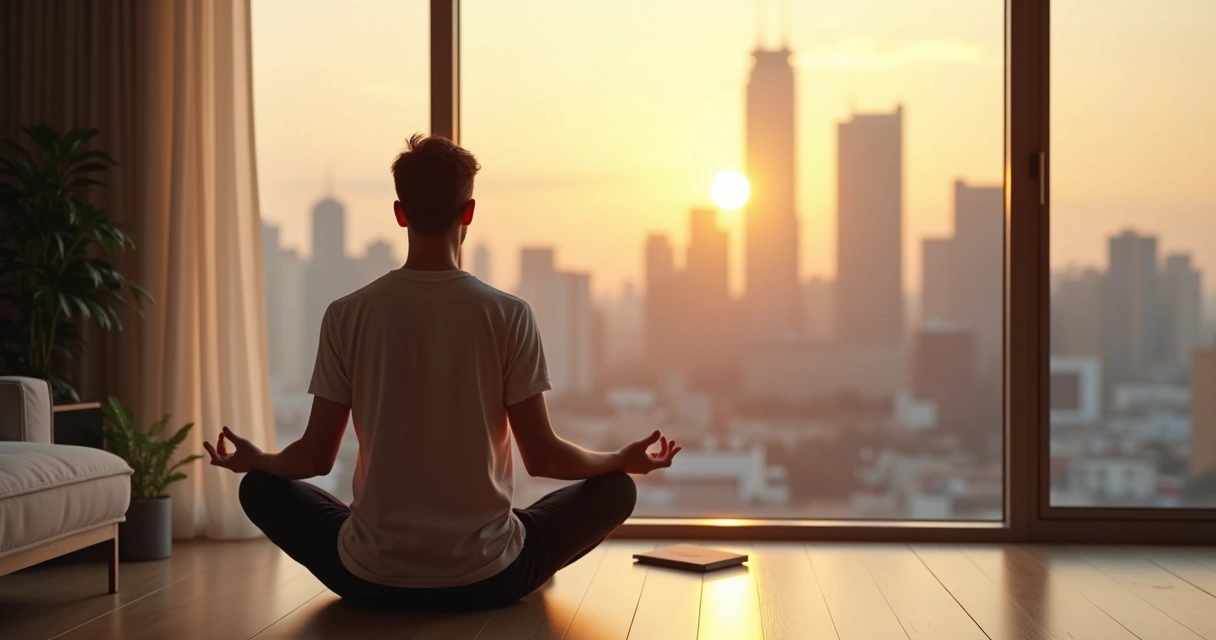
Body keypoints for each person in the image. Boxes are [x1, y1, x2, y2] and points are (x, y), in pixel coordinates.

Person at [203, 134, 680, 610]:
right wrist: (622, 458)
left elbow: (313, 459)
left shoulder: (346, 314)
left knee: (259, 488)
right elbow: (545, 459)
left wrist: (256, 459)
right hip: (491, 578)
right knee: (616, 488)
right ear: (468, 212)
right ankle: (486, 541)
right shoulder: (508, 314)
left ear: (399, 212)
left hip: (370, 579)